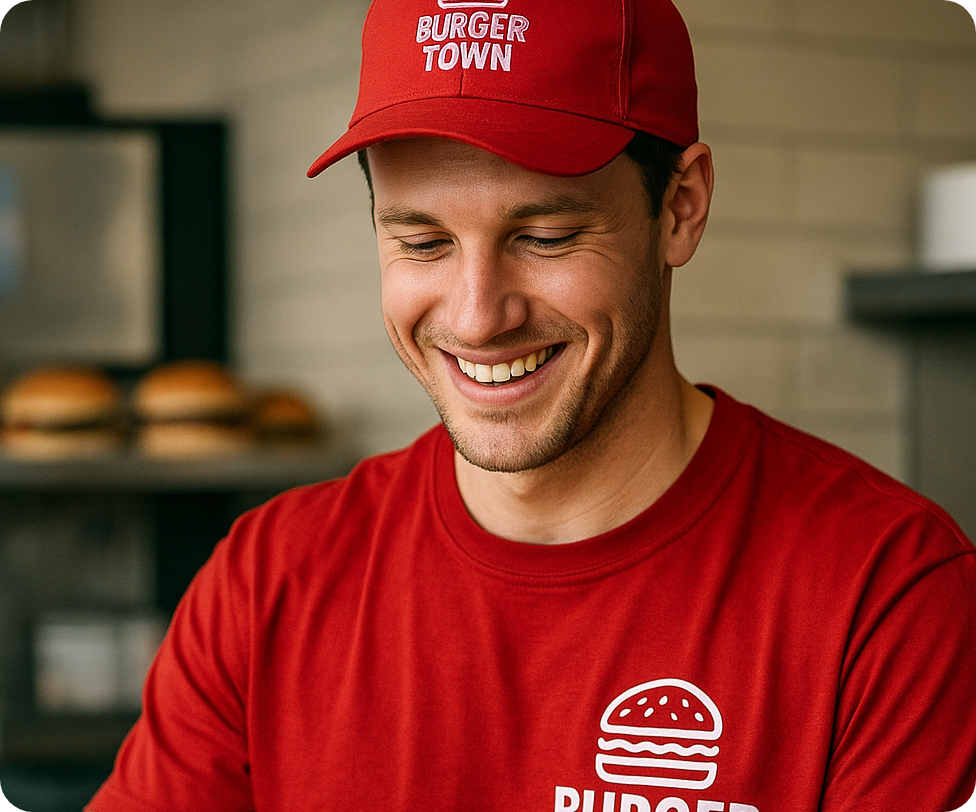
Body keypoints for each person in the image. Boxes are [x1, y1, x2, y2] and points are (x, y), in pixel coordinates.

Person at [87, 1, 976, 810]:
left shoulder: (889, 598)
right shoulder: (264, 585)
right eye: (423, 240)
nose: (479, 316)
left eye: (545, 236)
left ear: (682, 207)